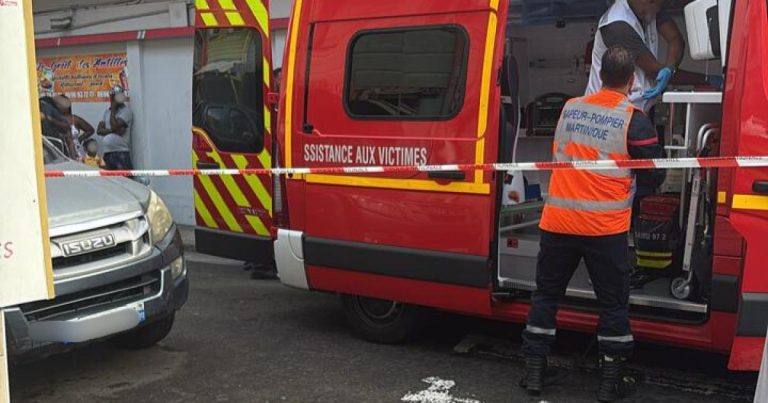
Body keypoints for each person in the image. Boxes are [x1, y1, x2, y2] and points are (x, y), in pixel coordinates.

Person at [520, 46, 665, 402]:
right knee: (613, 305)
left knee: (546, 297)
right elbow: (655, 175)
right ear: (632, 80)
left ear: (600, 75)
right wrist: (632, 186)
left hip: (558, 222)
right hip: (604, 228)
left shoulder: (570, 108)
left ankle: (535, 373)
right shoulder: (634, 118)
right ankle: (609, 380)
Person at [586, 0, 722, 113]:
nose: (659, 9)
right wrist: (705, 79)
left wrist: (669, 68)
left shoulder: (650, 7)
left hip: (633, 110)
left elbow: (676, 39)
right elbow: (654, 71)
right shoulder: (617, 25)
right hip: (606, 112)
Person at [97, 86, 133, 170]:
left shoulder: (126, 111)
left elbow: (114, 125)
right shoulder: (107, 112)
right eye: (111, 96)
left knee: (125, 181)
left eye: (114, 96)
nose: (112, 99)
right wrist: (114, 131)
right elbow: (99, 130)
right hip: (107, 153)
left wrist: (113, 109)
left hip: (121, 153)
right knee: (109, 181)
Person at [53, 94, 94, 158]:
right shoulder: (54, 119)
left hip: (76, 152)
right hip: (59, 152)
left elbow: (90, 130)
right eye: (60, 104)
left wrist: (79, 139)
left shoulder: (75, 119)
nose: (63, 106)